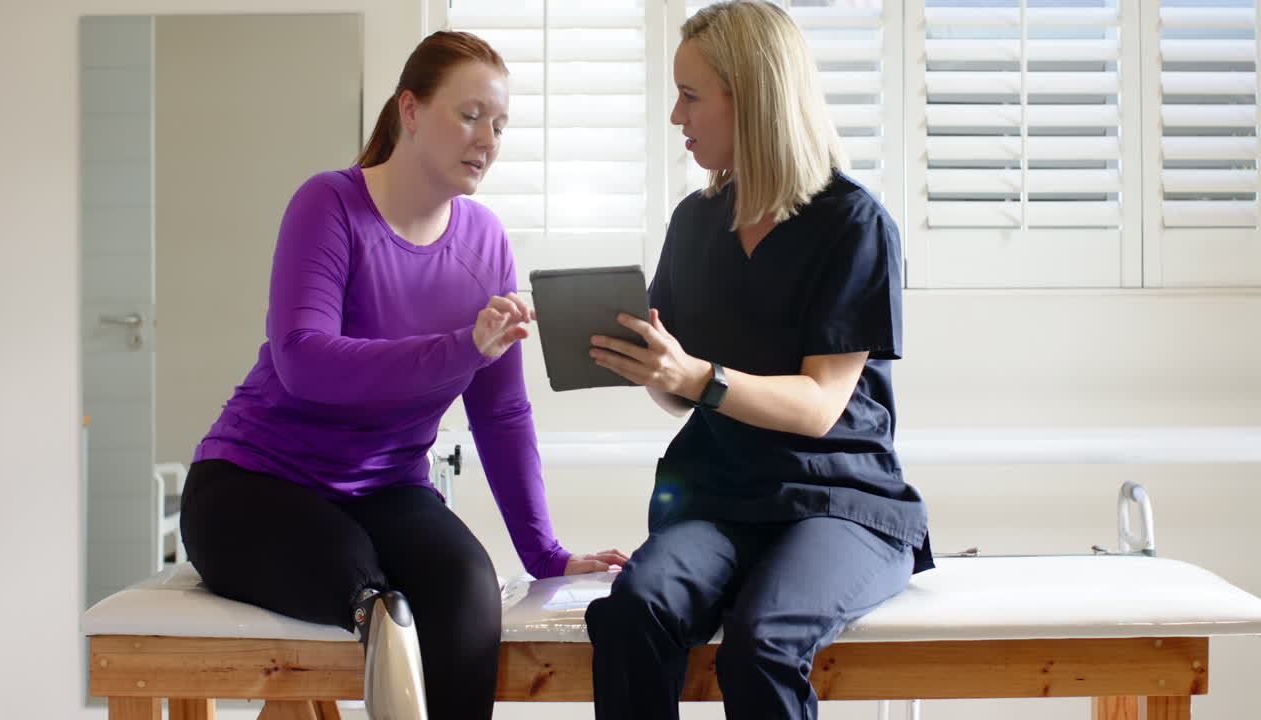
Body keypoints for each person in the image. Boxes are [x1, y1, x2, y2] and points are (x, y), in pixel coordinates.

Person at [178, 30, 627, 720]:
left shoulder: (485, 241)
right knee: (366, 584)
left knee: (467, 585)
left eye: (500, 124)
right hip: (255, 484)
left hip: (387, 487)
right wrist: (462, 348)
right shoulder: (329, 204)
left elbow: (501, 415)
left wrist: (545, 554)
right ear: (410, 111)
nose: (488, 138)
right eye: (470, 114)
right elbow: (302, 360)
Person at [583, 3, 933, 718]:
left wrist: (695, 378)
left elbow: (818, 405)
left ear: (752, 95)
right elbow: (681, 389)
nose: (676, 116)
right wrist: (660, 373)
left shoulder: (853, 224)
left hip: (840, 501)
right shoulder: (694, 224)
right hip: (720, 496)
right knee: (631, 612)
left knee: (761, 640)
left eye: (690, 95)